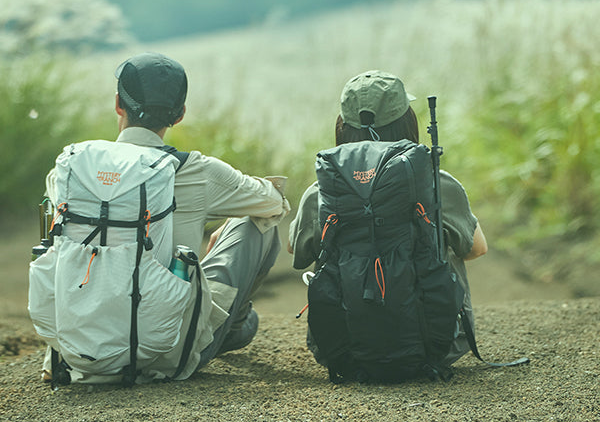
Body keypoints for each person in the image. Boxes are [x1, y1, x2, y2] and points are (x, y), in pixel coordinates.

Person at [40, 52, 290, 382]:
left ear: (118, 103)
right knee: (257, 225)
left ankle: (57, 355)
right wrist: (227, 218)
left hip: (78, 352)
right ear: (180, 114)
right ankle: (235, 326)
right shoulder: (196, 171)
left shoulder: (71, 169)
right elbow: (273, 203)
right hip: (167, 354)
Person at [288, 70, 487, 367]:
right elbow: (475, 249)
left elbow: (298, 251)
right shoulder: (437, 183)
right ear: (408, 121)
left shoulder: (322, 192)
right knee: (444, 240)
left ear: (342, 126)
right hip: (437, 348)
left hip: (342, 351)